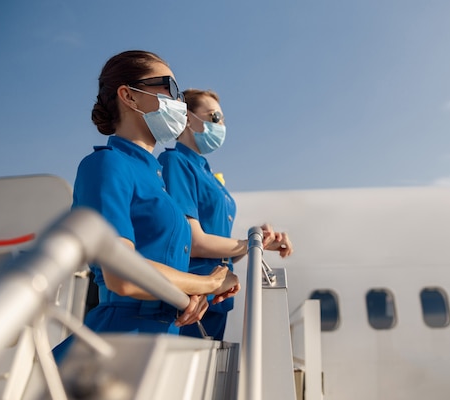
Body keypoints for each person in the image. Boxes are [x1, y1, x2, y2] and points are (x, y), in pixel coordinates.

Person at [73, 51, 240, 337]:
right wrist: (208, 284)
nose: (179, 102)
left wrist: (190, 296)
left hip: (162, 337)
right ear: (129, 96)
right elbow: (123, 274)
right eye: (171, 88)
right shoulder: (107, 164)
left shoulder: (156, 180)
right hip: (121, 338)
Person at [158, 89, 293, 340]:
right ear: (188, 119)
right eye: (214, 117)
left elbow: (219, 251)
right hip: (191, 297)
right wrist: (250, 244)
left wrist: (259, 243)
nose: (221, 126)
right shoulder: (176, 162)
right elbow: (194, 242)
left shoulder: (207, 172)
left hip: (216, 295)